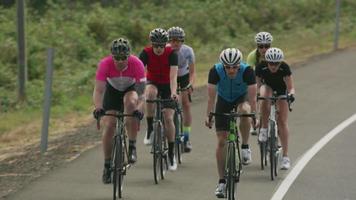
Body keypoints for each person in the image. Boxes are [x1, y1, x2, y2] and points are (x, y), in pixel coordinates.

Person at [205, 48, 257, 198]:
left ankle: (245, 146)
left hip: (242, 97)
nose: (231, 70)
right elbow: (211, 98)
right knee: (222, 141)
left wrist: (256, 116)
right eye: (228, 67)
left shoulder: (247, 71)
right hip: (224, 100)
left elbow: (253, 99)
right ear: (223, 65)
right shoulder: (215, 71)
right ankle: (221, 182)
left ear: (239, 65)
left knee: (245, 111)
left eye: (235, 67)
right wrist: (209, 115)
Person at [92, 38, 146, 184]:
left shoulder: (137, 64)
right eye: (117, 58)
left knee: (131, 104)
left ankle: (132, 146)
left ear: (129, 56)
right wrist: (98, 108)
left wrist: (139, 110)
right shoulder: (105, 64)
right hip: (112, 91)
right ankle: (107, 165)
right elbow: (98, 90)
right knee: (109, 125)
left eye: (124, 58)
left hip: (130, 89)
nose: (120, 61)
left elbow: (142, 94)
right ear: (112, 56)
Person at [139, 28, 179, 171]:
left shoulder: (172, 54)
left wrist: (174, 92)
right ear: (152, 44)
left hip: (168, 85)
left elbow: (173, 76)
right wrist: (139, 91)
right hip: (153, 81)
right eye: (156, 45)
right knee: (149, 94)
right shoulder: (145, 53)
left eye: (161, 46)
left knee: (168, 119)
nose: (158, 49)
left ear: (165, 45)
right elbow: (139, 72)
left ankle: (171, 154)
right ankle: (150, 128)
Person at [255, 47, 295, 170]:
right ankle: (264, 128)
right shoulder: (261, 67)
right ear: (267, 62)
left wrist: (291, 95)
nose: (273, 66)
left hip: (281, 90)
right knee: (264, 95)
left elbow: (290, 87)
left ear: (280, 62)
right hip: (267, 88)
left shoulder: (285, 68)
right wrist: (256, 96)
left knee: (282, 122)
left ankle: (285, 157)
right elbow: (257, 85)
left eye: (276, 63)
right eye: (271, 63)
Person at [167, 26, 195, 152]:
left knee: (186, 104)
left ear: (182, 41)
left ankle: (187, 137)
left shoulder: (188, 51)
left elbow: (192, 72)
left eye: (178, 41)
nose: (175, 43)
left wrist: (190, 84)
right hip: (169, 76)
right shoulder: (166, 50)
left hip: (183, 76)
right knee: (167, 104)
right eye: (172, 40)